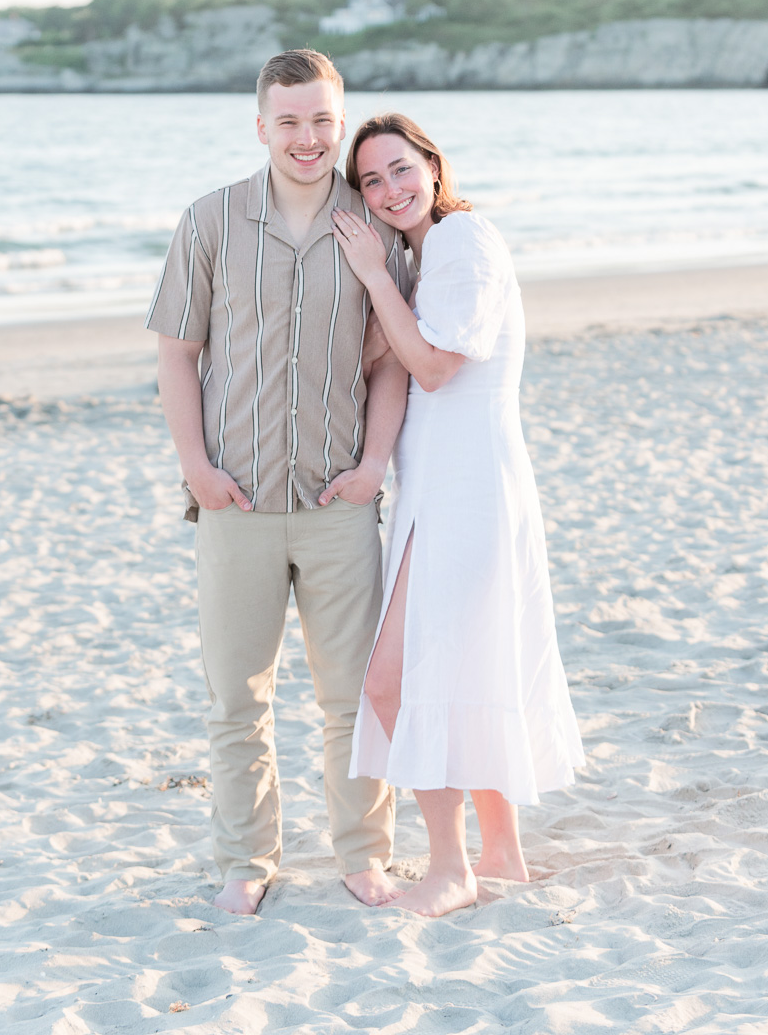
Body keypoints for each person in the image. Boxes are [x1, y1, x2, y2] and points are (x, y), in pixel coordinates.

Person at [146, 51, 413, 916]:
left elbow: (389, 365)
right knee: (237, 699)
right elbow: (177, 354)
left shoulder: (371, 228)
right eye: (289, 121)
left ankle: (364, 855)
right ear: (262, 126)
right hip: (238, 502)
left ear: (341, 124)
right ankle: (244, 860)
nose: (307, 138)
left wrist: (373, 467)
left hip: (339, 505)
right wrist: (197, 469)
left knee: (352, 699)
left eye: (322, 121)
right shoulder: (212, 221)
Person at [331, 112, 585, 918]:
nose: (390, 189)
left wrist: (372, 276)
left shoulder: (460, 242)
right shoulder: (432, 250)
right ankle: (501, 853)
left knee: (393, 681)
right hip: (446, 484)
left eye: (401, 169)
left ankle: (451, 867)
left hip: (465, 488)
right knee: (466, 666)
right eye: (371, 180)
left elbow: (435, 368)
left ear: (433, 166)